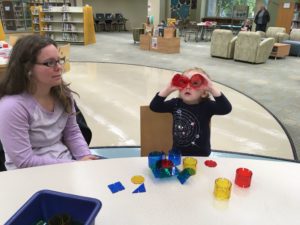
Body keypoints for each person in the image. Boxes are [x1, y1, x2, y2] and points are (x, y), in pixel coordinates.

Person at [0, 35, 99, 170]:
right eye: (50, 63)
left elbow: (72, 132)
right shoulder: (12, 107)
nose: (59, 68)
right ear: (28, 69)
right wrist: (75, 165)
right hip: (29, 173)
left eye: (59, 61)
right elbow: (24, 161)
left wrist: (85, 157)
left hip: (65, 162)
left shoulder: (62, 94)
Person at [150, 67, 232, 156]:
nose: (188, 87)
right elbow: (155, 106)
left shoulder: (207, 106)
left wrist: (211, 88)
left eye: (195, 83)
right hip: (178, 154)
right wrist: (169, 88)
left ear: (204, 92)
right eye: (183, 82)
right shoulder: (175, 103)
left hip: (201, 155)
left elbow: (226, 108)